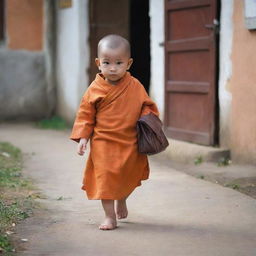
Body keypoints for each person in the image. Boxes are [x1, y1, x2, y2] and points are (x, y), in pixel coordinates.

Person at [70, 34, 158, 230]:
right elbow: (85, 115)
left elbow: (148, 106)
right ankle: (109, 217)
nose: (112, 67)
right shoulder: (94, 89)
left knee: (127, 175)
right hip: (103, 142)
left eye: (119, 62)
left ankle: (122, 199)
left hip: (130, 141)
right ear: (98, 63)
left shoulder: (134, 85)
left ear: (129, 63)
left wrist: (147, 120)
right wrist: (84, 137)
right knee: (106, 179)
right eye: (107, 62)